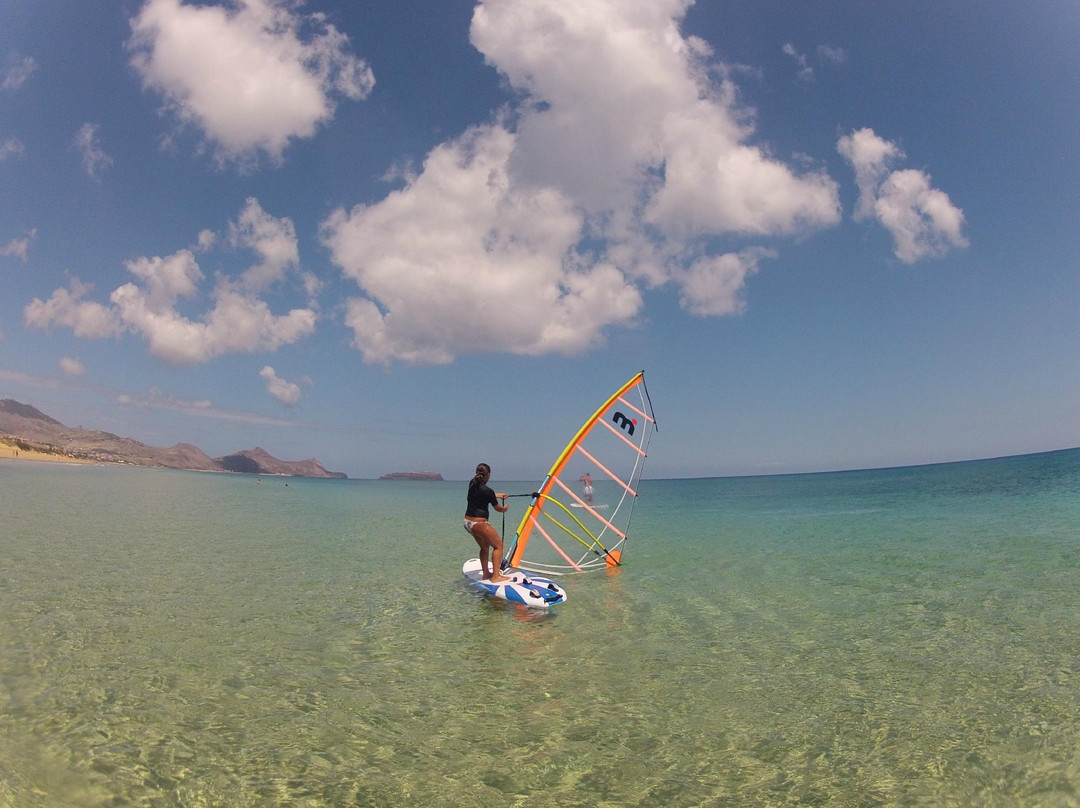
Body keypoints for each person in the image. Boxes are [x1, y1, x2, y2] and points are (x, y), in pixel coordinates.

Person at [464, 463, 510, 582]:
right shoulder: (488, 491)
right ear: (488, 474)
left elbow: (483, 494)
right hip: (479, 524)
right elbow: (498, 508)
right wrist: (504, 508)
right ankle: (496, 577)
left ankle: (486, 574)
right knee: (498, 545)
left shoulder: (472, 483)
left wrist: (496, 495)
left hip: (468, 523)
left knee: (484, 547)